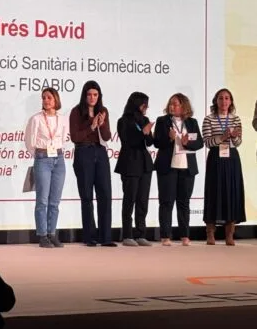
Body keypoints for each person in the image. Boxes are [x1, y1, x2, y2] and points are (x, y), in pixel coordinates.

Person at [69, 80, 116, 247]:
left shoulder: (103, 111)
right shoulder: (76, 111)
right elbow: (75, 137)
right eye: (89, 94)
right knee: (87, 196)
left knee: (105, 194)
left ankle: (106, 236)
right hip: (84, 153)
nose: (92, 98)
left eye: (95, 95)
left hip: (100, 152)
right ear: (84, 95)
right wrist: (91, 126)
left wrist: (101, 125)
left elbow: (107, 136)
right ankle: (89, 236)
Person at [153, 93, 204, 246]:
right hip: (167, 167)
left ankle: (185, 236)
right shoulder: (162, 121)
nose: (172, 106)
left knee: (184, 202)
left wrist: (187, 143)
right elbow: (156, 143)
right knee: (166, 202)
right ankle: (165, 236)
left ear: (183, 106)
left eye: (175, 104)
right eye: (171, 104)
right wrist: (169, 138)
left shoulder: (192, 122)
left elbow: (199, 143)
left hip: (187, 167)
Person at [24, 87, 67, 248]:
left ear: (56, 99)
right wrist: (40, 155)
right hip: (42, 159)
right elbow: (29, 141)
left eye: (49, 97)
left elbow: (64, 138)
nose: (46, 100)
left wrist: (56, 151)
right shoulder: (36, 119)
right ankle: (42, 235)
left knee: (55, 201)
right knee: (42, 200)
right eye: (43, 98)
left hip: (59, 159)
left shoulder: (62, 119)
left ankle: (52, 233)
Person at [202, 88, 246, 246]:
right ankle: (210, 233)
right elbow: (207, 142)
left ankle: (229, 234)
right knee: (214, 192)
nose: (224, 101)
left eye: (227, 98)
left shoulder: (235, 119)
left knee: (231, 192)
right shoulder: (209, 119)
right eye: (221, 98)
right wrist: (223, 137)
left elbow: (239, 142)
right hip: (216, 158)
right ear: (216, 101)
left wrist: (234, 137)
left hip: (232, 158)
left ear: (231, 101)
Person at [115, 92, 154, 247]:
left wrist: (148, 133)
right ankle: (127, 235)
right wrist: (142, 133)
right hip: (130, 163)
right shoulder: (123, 121)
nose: (146, 108)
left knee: (142, 200)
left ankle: (140, 234)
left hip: (145, 164)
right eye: (144, 104)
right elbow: (127, 141)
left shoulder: (144, 120)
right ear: (137, 104)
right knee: (129, 199)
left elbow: (149, 142)